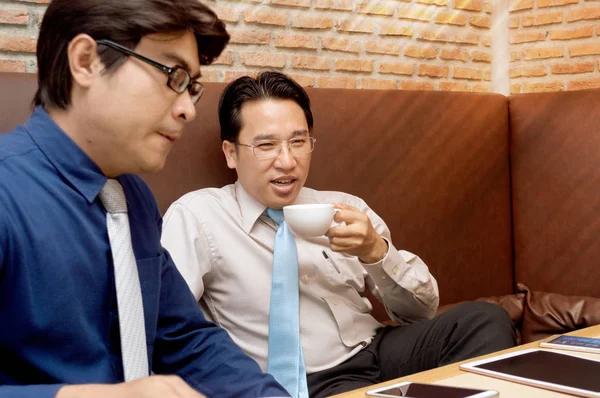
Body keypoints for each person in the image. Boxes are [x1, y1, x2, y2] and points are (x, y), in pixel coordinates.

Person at [161, 71, 517, 397]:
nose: (287, 161)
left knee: (485, 320)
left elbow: (420, 312)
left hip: (378, 349)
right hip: (306, 380)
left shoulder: (343, 207)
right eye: (266, 145)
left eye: (298, 141)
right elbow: (166, 323)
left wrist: (376, 251)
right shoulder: (199, 216)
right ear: (231, 153)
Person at [0, 1, 290, 398]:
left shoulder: (130, 198)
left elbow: (185, 339)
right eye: (174, 75)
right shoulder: (6, 194)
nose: (188, 108)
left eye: (192, 87)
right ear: (86, 61)